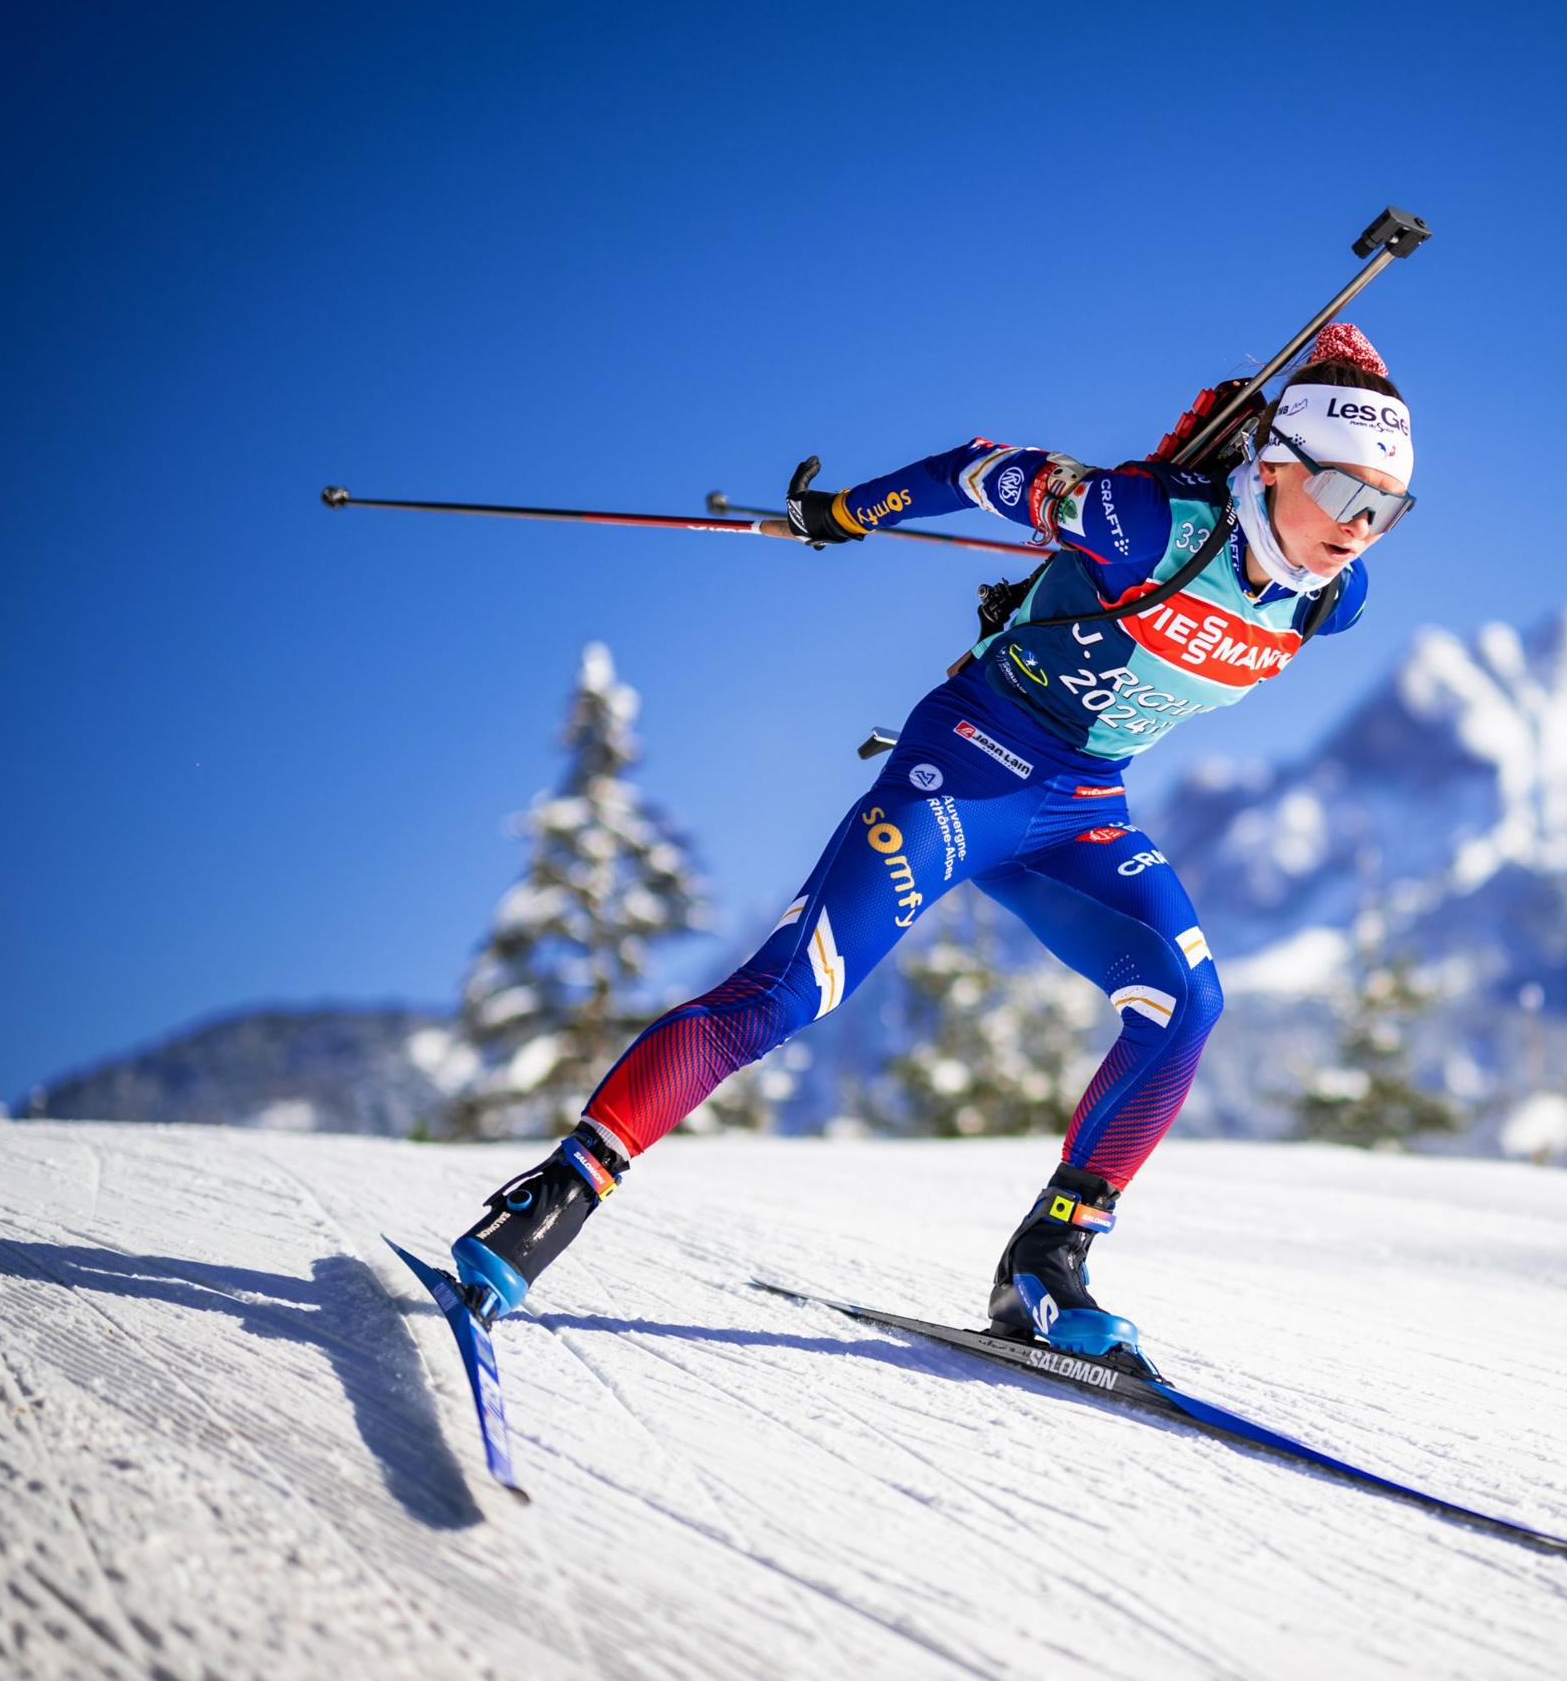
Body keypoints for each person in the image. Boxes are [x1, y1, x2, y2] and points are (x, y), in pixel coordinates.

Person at [448, 324, 1415, 1366]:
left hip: (1082, 810)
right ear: (1272, 465)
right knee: (788, 993)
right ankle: (557, 1190)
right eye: (1345, 493)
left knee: (1187, 1001)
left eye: (1387, 507)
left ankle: (1047, 1263)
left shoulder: (1332, 601)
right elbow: (975, 468)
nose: (1361, 528)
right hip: (966, 767)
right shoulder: (1143, 525)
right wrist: (846, 511)